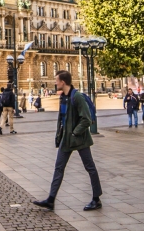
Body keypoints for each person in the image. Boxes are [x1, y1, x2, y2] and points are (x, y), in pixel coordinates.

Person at [32, 71, 102, 212]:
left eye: (56, 80)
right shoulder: (63, 97)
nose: (55, 83)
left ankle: (96, 199)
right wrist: (60, 135)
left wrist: (75, 132)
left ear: (63, 82)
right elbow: (62, 119)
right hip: (66, 139)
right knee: (59, 168)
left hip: (79, 138)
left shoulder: (77, 97)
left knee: (90, 168)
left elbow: (86, 119)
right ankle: (51, 200)